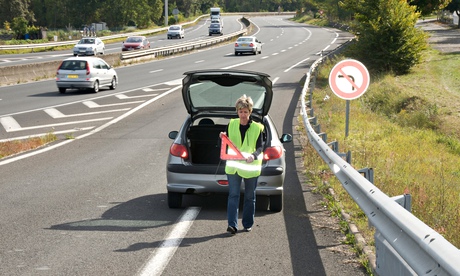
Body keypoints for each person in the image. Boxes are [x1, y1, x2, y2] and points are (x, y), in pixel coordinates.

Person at [220, 95, 264, 235]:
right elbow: (226, 142)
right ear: (237, 112)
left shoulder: (258, 127)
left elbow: (260, 146)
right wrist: (222, 136)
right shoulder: (232, 124)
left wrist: (254, 155)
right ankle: (232, 225)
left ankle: (247, 223)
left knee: (250, 197)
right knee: (233, 195)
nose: (243, 114)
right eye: (240, 111)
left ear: (250, 112)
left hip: (251, 167)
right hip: (233, 167)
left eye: (245, 112)